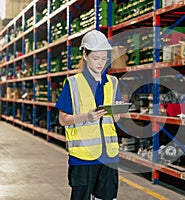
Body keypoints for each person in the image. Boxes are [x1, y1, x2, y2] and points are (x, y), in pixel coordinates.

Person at [55, 30, 122, 200]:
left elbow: (116, 119)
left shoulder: (113, 83)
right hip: (83, 157)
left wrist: (118, 111)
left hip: (109, 156)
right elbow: (63, 120)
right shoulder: (73, 83)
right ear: (85, 55)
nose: (100, 63)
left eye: (104, 58)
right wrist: (87, 117)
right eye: (95, 58)